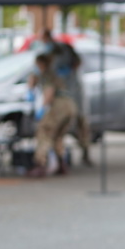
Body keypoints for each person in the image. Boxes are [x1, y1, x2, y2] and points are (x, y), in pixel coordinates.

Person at [39, 30, 94, 167]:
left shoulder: (62, 51)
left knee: (51, 130)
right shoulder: (50, 54)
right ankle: (60, 160)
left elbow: (49, 90)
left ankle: (43, 161)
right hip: (66, 98)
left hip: (70, 96)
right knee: (58, 132)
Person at [26, 54, 77, 178]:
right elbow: (33, 85)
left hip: (59, 106)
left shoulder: (47, 75)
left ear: (41, 63)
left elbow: (49, 92)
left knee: (44, 131)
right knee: (58, 135)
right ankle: (61, 164)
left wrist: (43, 108)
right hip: (70, 106)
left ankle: (40, 164)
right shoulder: (52, 73)